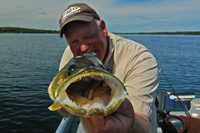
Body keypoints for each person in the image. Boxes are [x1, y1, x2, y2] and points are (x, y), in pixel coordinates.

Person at [57, 3, 159, 133]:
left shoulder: (139, 58)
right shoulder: (71, 55)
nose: (83, 48)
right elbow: (64, 112)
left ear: (103, 28)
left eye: (88, 36)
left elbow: (144, 124)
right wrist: (71, 95)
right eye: (74, 42)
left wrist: (129, 124)